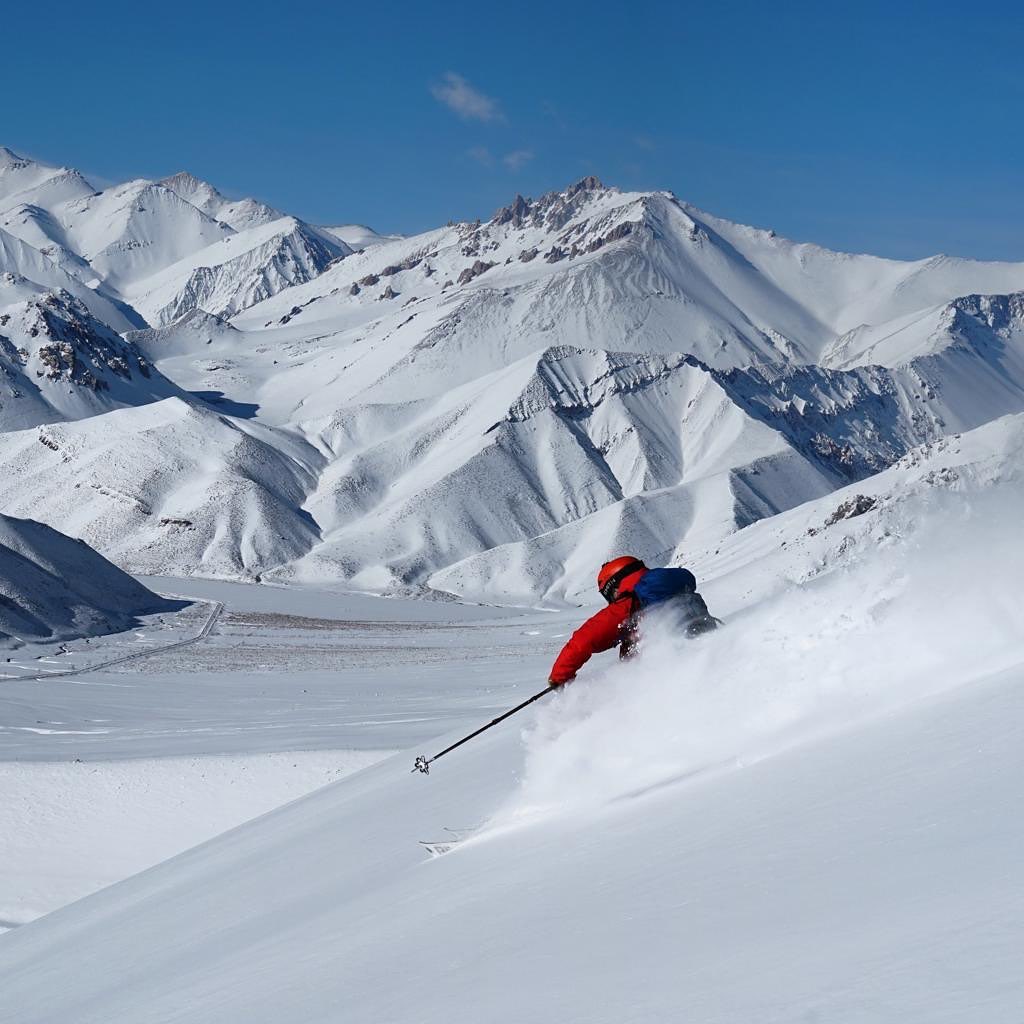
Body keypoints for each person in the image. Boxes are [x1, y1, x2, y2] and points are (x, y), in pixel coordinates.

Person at [548, 556, 719, 687]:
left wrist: (558, 678)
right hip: (708, 651)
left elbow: (583, 640)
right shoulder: (674, 589)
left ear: (614, 586)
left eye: (609, 594)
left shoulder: (628, 604)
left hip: (661, 674)